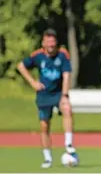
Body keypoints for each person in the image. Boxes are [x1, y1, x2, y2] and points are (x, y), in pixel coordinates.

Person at [17, 28, 76, 168]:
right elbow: (20, 66)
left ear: (56, 43)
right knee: (44, 126)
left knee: (67, 108)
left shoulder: (62, 54)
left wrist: (65, 95)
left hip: (58, 94)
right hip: (43, 95)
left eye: (53, 42)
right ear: (43, 43)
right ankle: (47, 158)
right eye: (48, 42)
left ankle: (68, 144)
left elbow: (67, 75)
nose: (51, 45)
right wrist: (32, 82)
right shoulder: (38, 55)